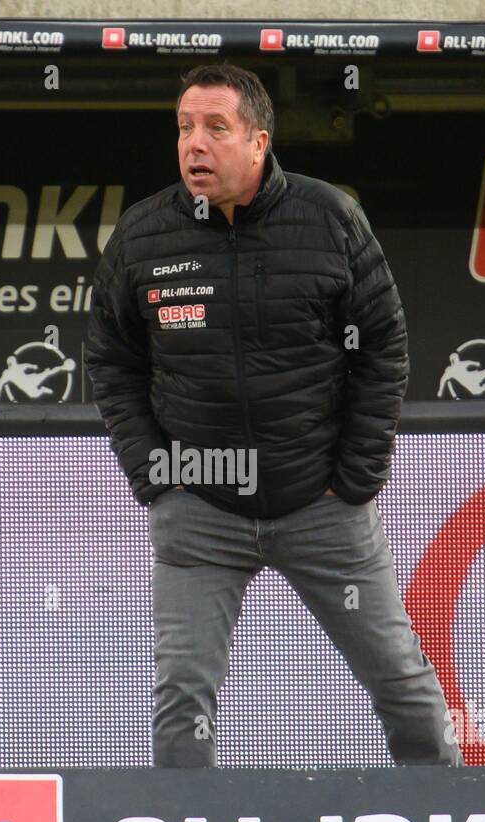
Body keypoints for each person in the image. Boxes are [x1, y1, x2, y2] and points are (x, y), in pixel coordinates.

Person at [83, 63, 462, 768]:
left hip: (321, 507)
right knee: (181, 702)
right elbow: (111, 360)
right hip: (200, 515)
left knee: (404, 689)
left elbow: (384, 345)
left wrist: (354, 478)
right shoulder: (142, 236)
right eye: (184, 127)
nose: (194, 143)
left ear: (258, 142)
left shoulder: (329, 218)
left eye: (215, 128)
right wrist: (156, 475)